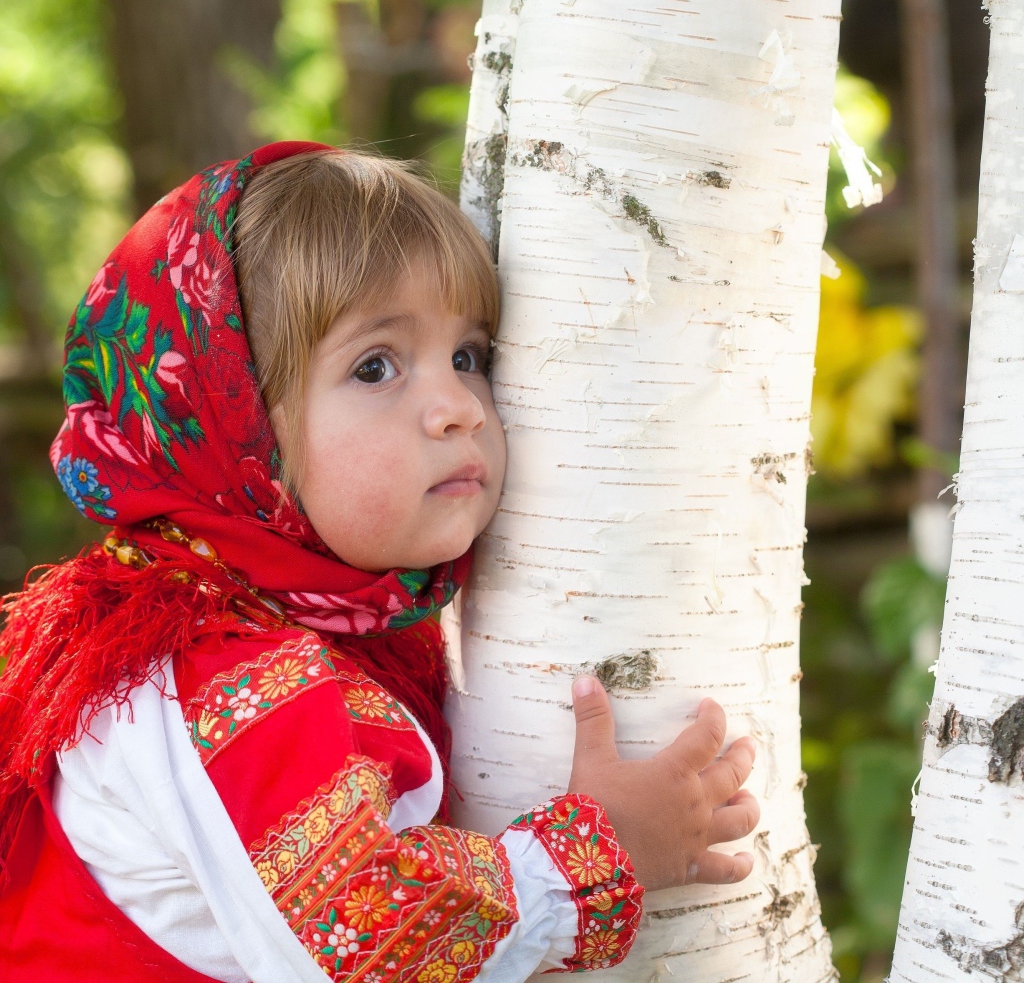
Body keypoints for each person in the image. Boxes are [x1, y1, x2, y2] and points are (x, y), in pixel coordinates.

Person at [0, 141, 759, 982]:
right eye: (375, 367)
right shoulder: (210, 674)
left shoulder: (321, 625)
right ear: (233, 425)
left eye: (469, 356)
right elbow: (365, 938)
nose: (459, 408)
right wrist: (601, 850)